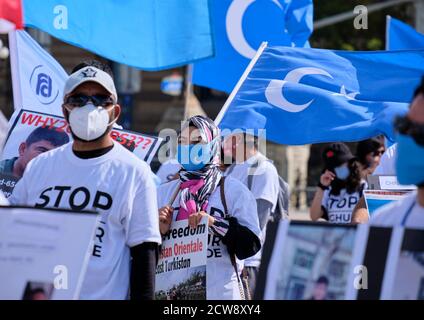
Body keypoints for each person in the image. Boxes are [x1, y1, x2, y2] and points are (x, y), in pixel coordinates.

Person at [9, 60, 161, 300]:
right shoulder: (39, 167)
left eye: (101, 99)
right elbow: (13, 236)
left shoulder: (134, 172)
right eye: (78, 99)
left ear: (115, 111)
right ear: (64, 110)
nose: (90, 108)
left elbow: (145, 257)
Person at [157, 115, 261, 300]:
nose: (188, 147)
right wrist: (158, 231)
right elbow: (141, 251)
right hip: (172, 296)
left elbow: (250, 246)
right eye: (182, 141)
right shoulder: (164, 193)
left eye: (197, 141)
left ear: (213, 146)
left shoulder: (233, 192)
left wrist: (214, 223)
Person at [222, 131, 280, 298]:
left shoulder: (263, 168)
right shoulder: (232, 168)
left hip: (248, 260)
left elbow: (258, 220)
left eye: (229, 138)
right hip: (228, 258)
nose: (224, 144)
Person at [370, 79, 424, 227]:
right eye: (405, 126)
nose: (408, 139)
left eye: (420, 133)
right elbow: (370, 194)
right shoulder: (381, 222)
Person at [310, 143, 366, 224]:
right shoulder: (328, 189)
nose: (336, 168)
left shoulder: (363, 186)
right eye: (332, 166)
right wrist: (321, 187)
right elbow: (314, 216)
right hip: (335, 236)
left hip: (355, 235)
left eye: (339, 163)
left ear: (350, 163)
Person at [0, 126, 69, 178]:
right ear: (23, 149)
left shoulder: (54, 184)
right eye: (42, 151)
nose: (47, 159)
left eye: (55, 155)